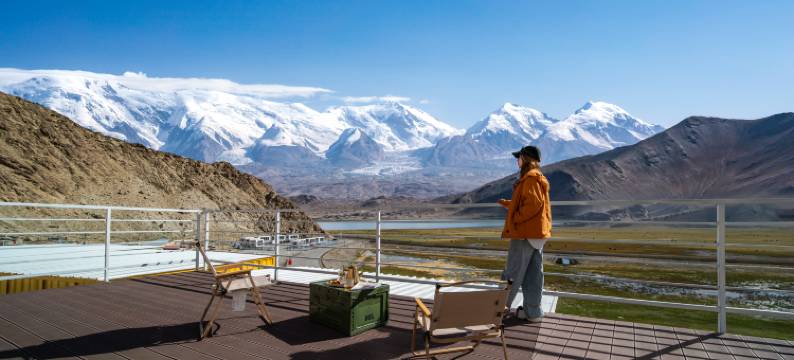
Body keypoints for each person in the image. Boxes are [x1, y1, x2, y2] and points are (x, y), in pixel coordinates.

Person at [498, 145, 552, 322]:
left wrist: (515, 219)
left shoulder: (530, 178)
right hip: (537, 233)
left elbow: (533, 204)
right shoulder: (538, 177)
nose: (517, 161)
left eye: (519, 157)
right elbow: (529, 202)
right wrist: (510, 205)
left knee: (512, 272)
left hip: (524, 233)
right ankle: (533, 312)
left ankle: (496, 310)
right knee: (533, 274)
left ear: (525, 158)